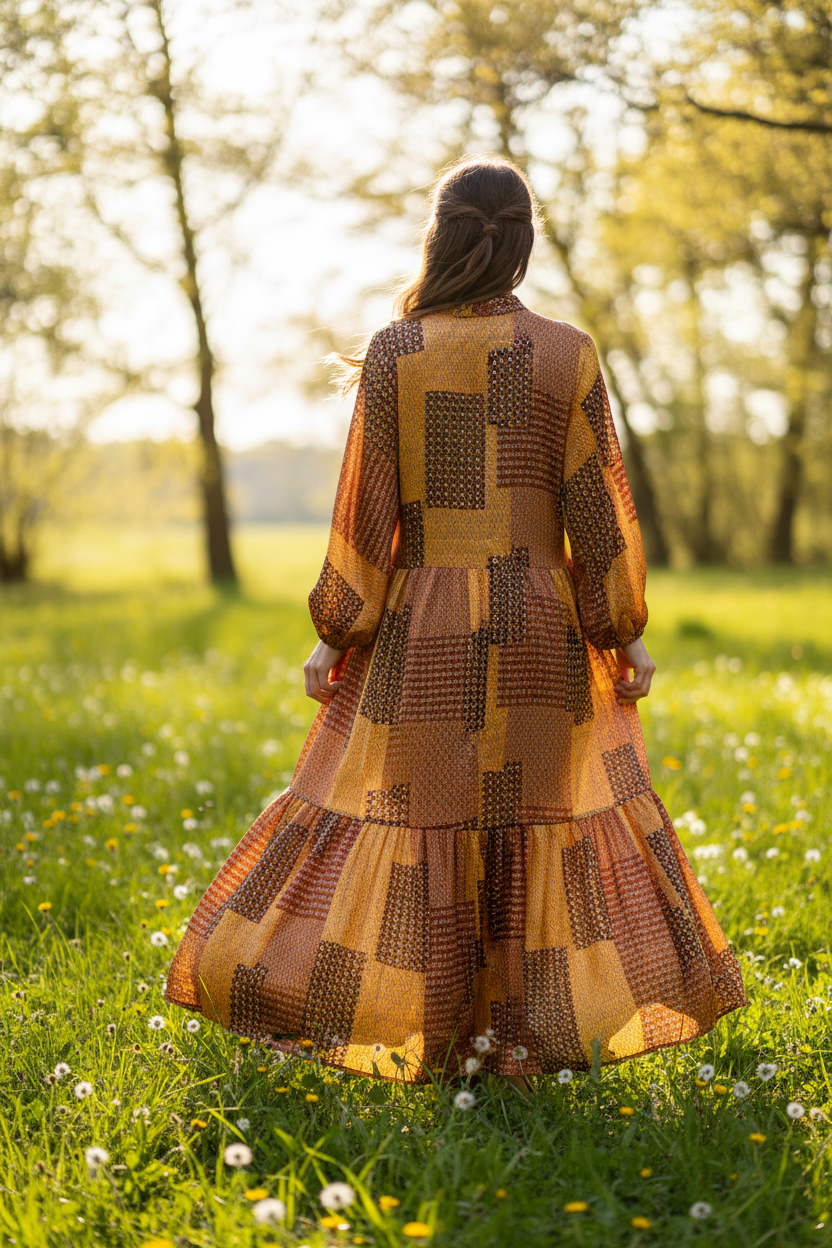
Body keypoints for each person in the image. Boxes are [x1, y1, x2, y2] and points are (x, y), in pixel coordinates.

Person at [165, 156, 746, 1094]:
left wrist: (338, 631)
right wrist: (620, 626)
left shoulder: (397, 354)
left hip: (423, 629)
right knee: (527, 828)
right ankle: (514, 1050)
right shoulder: (569, 354)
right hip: (540, 629)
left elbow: (366, 519)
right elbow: (596, 508)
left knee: (422, 836)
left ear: (439, 236)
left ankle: (435, 1040)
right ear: (525, 240)